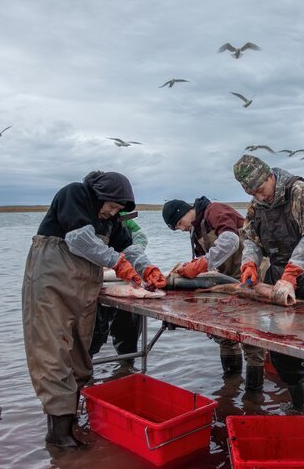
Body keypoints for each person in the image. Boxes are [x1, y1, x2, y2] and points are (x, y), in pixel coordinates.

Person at [21, 171, 167, 448]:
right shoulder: (75, 194)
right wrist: (118, 263)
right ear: (99, 195)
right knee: (52, 353)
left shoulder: (110, 220)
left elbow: (129, 247)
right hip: (50, 287)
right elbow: (79, 239)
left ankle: (71, 422)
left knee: (79, 353)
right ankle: (59, 435)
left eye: (118, 209)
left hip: (81, 290)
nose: (113, 212)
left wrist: (146, 267)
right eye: (111, 206)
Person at [233, 154, 304, 415]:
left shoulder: (300, 192)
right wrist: (249, 263)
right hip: (277, 279)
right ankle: (303, 410)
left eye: (261, 189)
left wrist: (292, 273)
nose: (259, 197)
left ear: (270, 176)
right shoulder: (256, 206)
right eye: (253, 193)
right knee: (284, 351)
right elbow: (251, 238)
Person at [162, 196, 267, 391]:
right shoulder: (196, 230)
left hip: (249, 274)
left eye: (178, 223)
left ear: (184, 211)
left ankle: (254, 394)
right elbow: (207, 260)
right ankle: (231, 385)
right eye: (176, 228)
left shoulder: (214, 211)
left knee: (251, 335)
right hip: (223, 282)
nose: (181, 228)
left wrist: (201, 264)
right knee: (225, 334)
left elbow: (231, 241)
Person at [90, 212, 148, 366]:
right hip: (96, 281)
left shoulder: (124, 219)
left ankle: (126, 367)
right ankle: (84, 372)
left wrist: (133, 258)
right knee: (93, 334)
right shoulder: (89, 217)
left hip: (126, 279)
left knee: (127, 332)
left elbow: (140, 237)